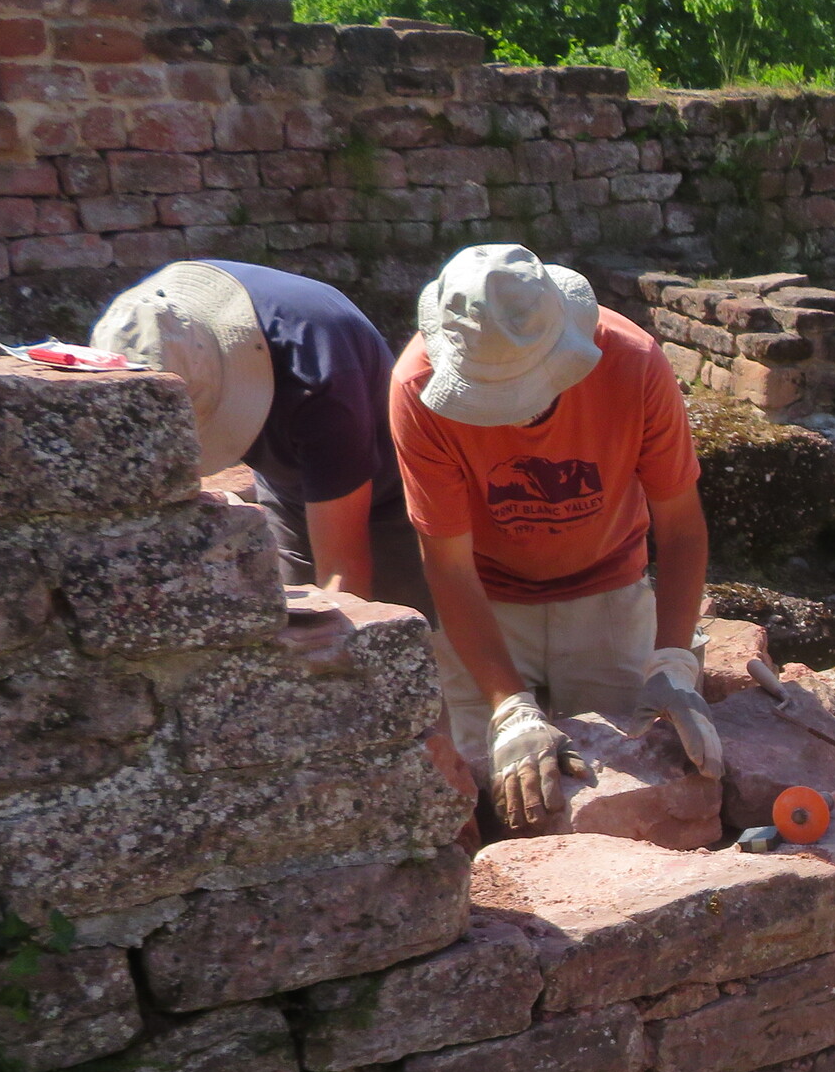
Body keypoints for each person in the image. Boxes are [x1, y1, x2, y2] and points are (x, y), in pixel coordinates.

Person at [390, 242, 720, 837]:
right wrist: (509, 709)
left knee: (638, 784)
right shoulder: (419, 388)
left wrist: (672, 661)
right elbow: (448, 565)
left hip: (608, 582)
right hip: (484, 603)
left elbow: (681, 525)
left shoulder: (632, 362)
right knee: (493, 795)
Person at [90, 260, 428, 611]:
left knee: (398, 619)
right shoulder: (141, 329)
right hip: (286, 470)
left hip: (387, 490)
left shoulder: (321, 380)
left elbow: (343, 573)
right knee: (287, 607)